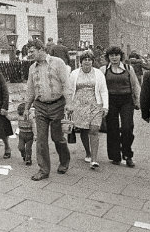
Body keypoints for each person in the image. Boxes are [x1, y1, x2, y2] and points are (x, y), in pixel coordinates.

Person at [25, 39, 72, 181]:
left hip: (57, 105)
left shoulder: (58, 63)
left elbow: (66, 84)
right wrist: (27, 107)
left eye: (32, 51)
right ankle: (43, 170)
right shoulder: (32, 68)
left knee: (57, 137)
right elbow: (30, 89)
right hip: (40, 106)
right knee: (40, 139)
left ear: (41, 49)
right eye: (29, 52)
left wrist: (69, 103)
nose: (30, 54)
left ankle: (64, 161)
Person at [100, 46, 140, 167]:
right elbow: (100, 87)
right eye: (111, 55)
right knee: (112, 128)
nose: (114, 58)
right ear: (108, 57)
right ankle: (115, 156)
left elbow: (135, 85)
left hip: (126, 100)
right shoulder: (103, 69)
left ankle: (127, 155)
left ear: (120, 56)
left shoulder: (128, 68)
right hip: (110, 100)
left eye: (116, 55)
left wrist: (138, 101)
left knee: (127, 127)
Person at [67, 50, 109, 169]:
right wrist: (69, 105)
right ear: (81, 62)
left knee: (94, 130)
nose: (87, 62)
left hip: (95, 104)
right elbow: (70, 91)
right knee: (84, 130)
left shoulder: (98, 74)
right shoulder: (74, 73)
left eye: (89, 60)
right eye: (84, 59)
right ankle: (88, 152)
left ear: (92, 61)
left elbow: (103, 90)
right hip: (79, 105)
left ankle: (94, 160)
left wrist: (105, 106)